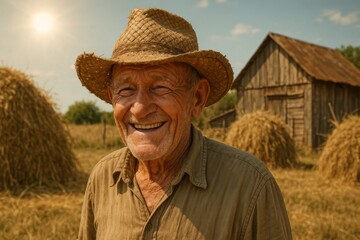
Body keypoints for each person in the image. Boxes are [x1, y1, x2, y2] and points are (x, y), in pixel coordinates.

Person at [75, 8, 292, 240]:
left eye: (160, 87)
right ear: (112, 97)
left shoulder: (249, 186)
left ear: (197, 98)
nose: (139, 108)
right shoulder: (102, 177)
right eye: (126, 90)